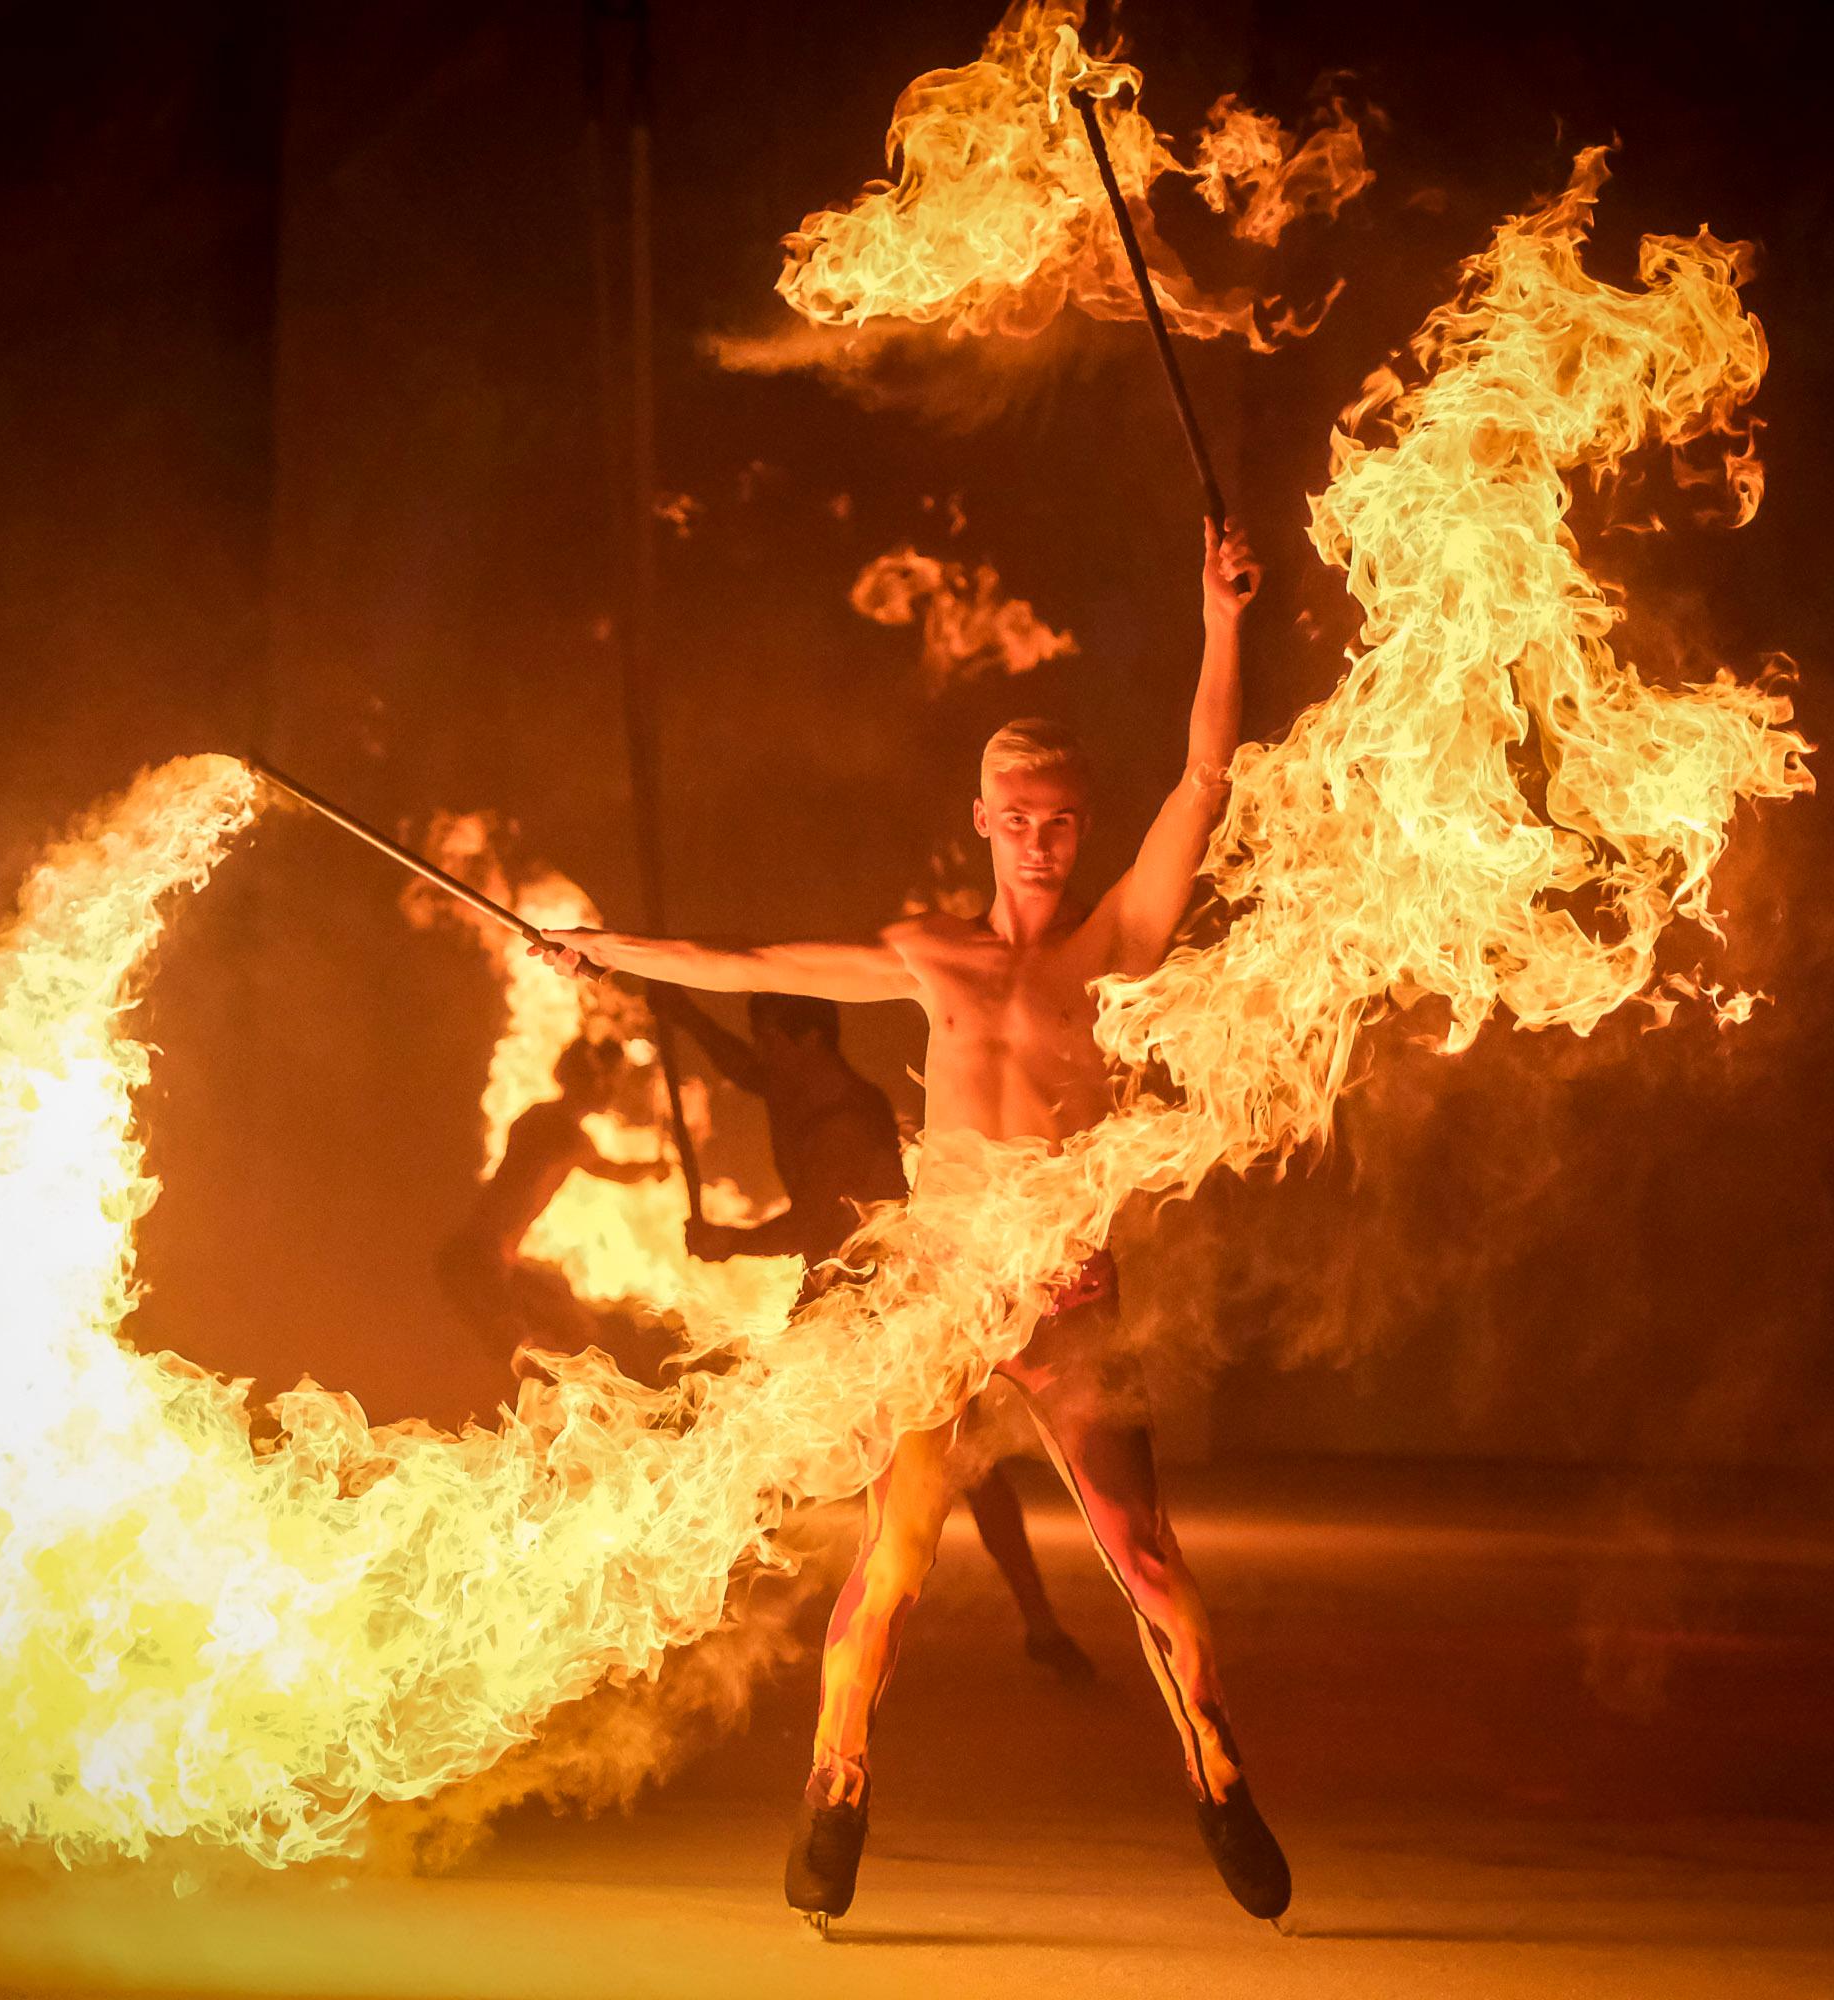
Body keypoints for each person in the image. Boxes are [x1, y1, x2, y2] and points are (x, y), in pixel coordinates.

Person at [539, 521, 1288, 1926]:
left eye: (1070, 816)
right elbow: (744, 961)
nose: (1054, 839)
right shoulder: (929, 956)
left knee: (1144, 1561)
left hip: (1066, 1299)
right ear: (987, 823)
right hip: (943, 1300)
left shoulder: (1114, 944)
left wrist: (1221, 616)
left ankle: (1219, 1775)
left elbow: (1203, 779)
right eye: (1029, 818)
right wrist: (597, 948)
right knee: (894, 1559)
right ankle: (835, 1790)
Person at [651, 983, 1098, 1684]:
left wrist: (726, 1241)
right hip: (838, 1296)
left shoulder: (843, 1120)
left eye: (771, 1039)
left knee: (964, 1462)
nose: (762, 1056)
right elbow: (747, 1069)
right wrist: (683, 1015)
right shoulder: (795, 1084)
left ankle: (1038, 1622)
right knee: (765, 1440)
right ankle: (688, 1594)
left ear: (810, 1041)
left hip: (889, 1306)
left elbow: (818, 1227)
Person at [436, 1035, 663, 1379]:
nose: (612, 1092)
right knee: (547, 1345)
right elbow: (616, 1172)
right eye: (608, 1081)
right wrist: (656, 1168)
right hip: (482, 1261)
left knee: (572, 1334)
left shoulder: (538, 1116)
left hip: (483, 1256)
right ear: (591, 1083)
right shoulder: (565, 1135)